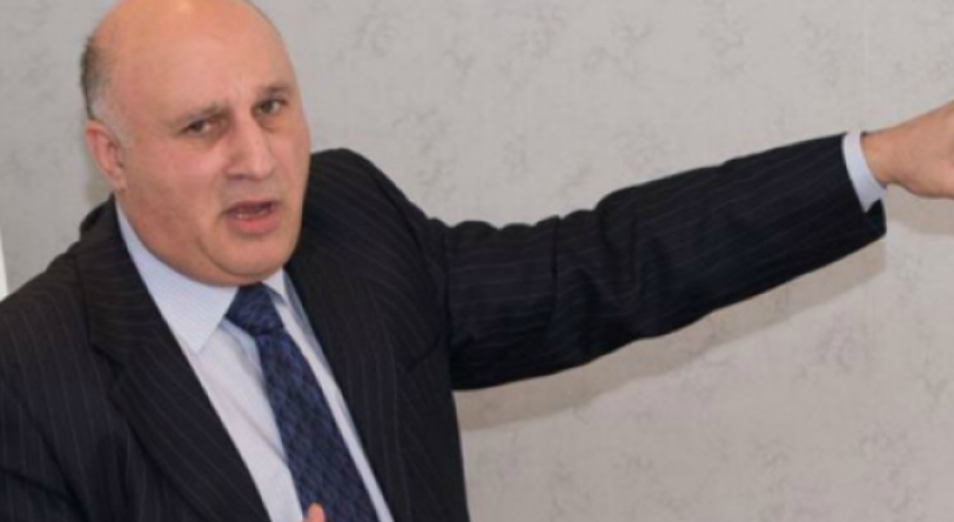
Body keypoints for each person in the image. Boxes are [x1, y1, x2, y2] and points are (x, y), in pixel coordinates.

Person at [1, 0, 954, 521]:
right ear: (111, 156)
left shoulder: (349, 220)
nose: (259, 159)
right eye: (204, 126)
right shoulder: (29, 369)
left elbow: (601, 267)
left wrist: (878, 160)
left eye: (273, 107)